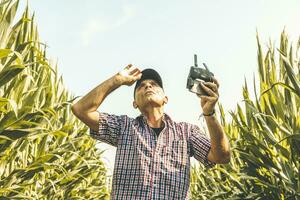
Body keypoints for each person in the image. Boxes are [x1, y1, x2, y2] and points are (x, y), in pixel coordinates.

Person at [71, 64, 231, 200]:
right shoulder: (123, 127)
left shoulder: (186, 132)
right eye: (141, 86)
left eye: (154, 84)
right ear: (135, 104)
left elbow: (221, 156)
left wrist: (209, 113)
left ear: (165, 99)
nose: (147, 86)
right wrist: (117, 80)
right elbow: (81, 109)